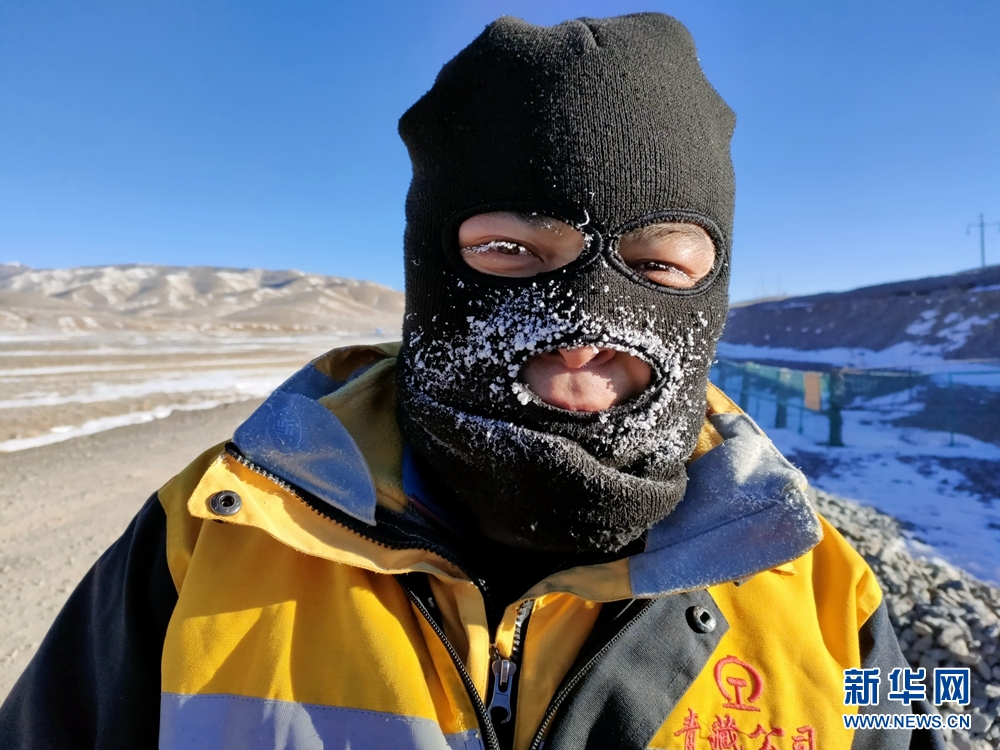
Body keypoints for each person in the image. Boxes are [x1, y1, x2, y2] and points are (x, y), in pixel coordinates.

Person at [0, 13, 943, 750]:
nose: (585, 331)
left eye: (657, 267)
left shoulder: (832, 587)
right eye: (511, 251)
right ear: (427, 268)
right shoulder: (208, 536)